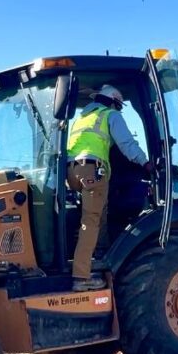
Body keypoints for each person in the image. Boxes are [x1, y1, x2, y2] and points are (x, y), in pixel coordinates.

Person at [67, 85, 150, 291]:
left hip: (71, 171)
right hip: (93, 170)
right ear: (114, 101)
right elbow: (127, 144)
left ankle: (99, 253)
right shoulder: (110, 114)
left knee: (94, 213)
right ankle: (82, 277)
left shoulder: (81, 118)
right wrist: (146, 163)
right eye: (119, 106)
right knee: (91, 221)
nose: (119, 110)